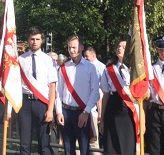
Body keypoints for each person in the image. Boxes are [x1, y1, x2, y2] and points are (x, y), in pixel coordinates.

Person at [56, 35, 102, 155]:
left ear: (81, 47)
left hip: (82, 112)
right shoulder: (63, 68)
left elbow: (95, 92)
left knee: (84, 148)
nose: (72, 50)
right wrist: (59, 111)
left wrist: (86, 112)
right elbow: (58, 92)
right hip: (66, 112)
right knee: (68, 149)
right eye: (69, 48)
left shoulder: (90, 68)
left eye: (74, 47)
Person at [18, 26, 57, 155]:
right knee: (24, 143)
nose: (34, 42)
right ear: (28, 40)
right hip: (24, 103)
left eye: (37, 39)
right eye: (32, 39)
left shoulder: (48, 61)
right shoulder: (21, 60)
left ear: (42, 41)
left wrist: (50, 109)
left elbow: (52, 87)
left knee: (44, 143)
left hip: (41, 103)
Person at [99, 40, 135, 155]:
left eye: (123, 47)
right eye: (118, 46)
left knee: (126, 147)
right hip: (112, 107)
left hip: (129, 109)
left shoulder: (134, 69)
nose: (120, 48)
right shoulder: (109, 69)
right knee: (111, 147)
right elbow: (106, 94)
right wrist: (102, 118)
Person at [85, 45, 107, 145]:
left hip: (98, 103)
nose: (85, 58)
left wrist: (100, 111)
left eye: (87, 56)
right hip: (85, 102)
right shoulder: (84, 66)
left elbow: (102, 89)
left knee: (94, 138)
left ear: (93, 55)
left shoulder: (102, 67)